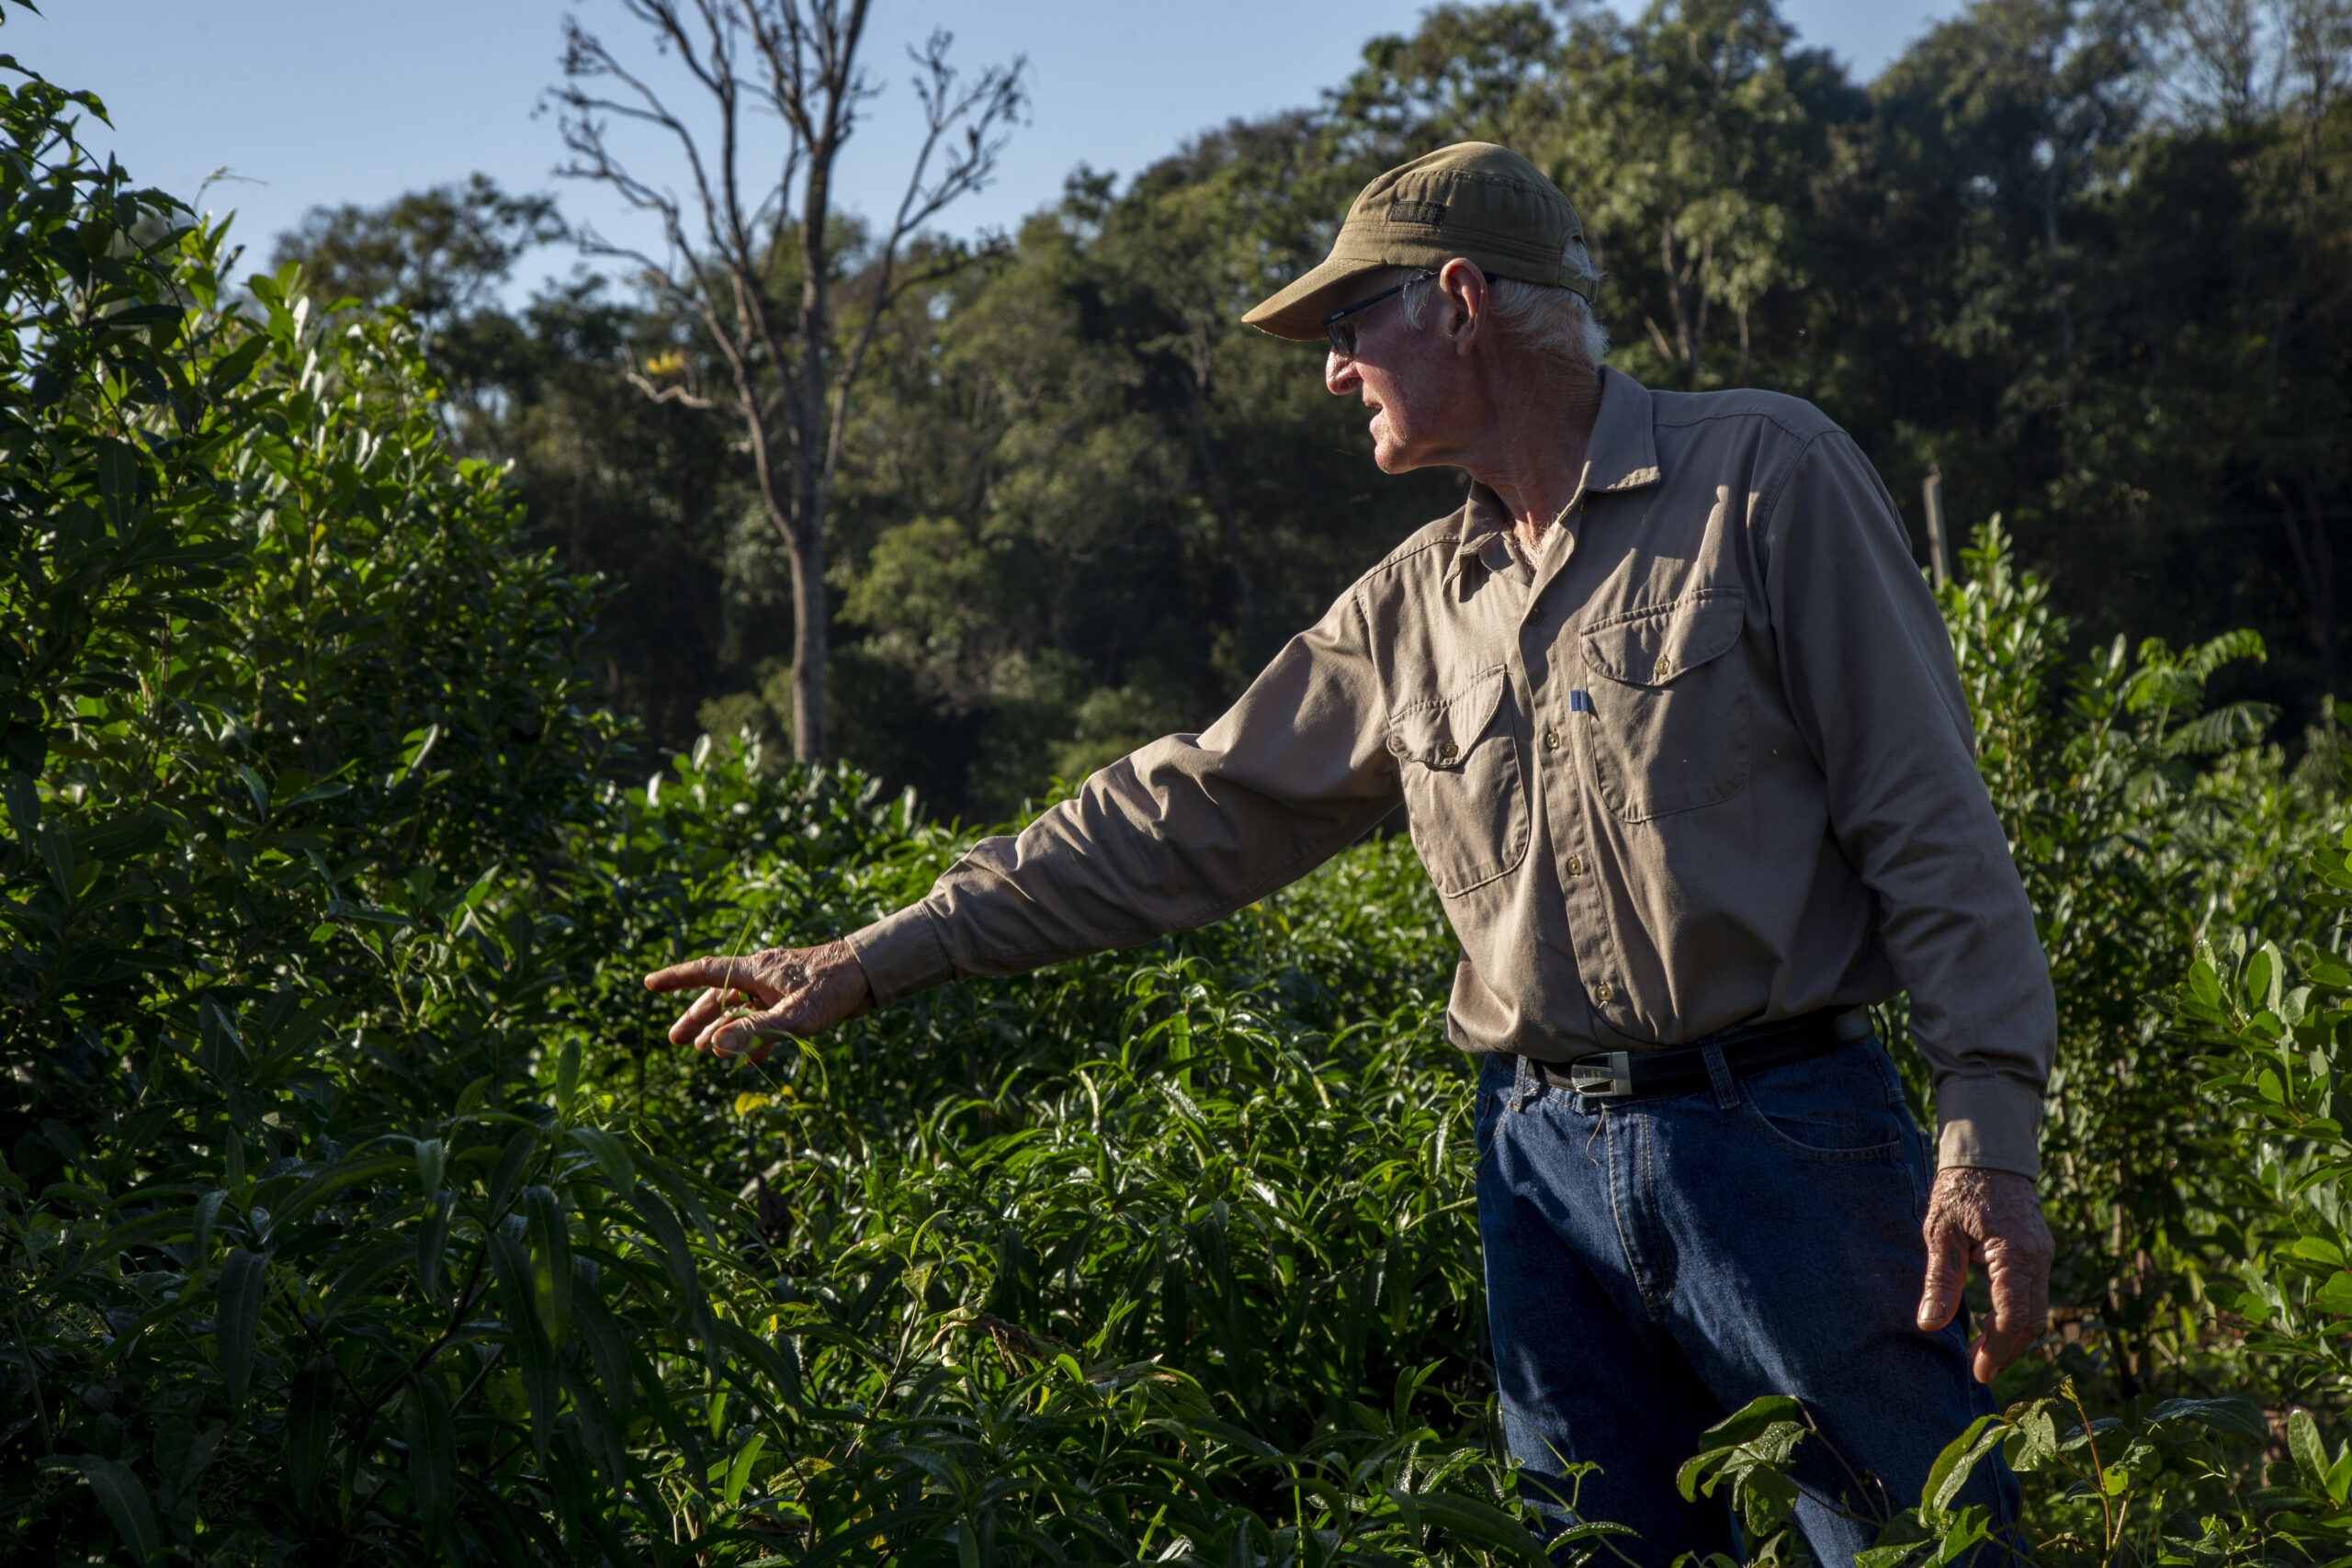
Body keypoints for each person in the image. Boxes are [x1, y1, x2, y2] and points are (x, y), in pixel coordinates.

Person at [645, 142, 2055, 1565]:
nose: (1330, 370)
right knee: (1595, 1548)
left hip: (1786, 1141)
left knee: (1918, 1540)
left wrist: (1987, 1137)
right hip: (1541, 1168)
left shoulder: (1764, 478)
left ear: (1458, 300)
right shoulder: (1412, 609)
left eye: (1345, 325)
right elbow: (1180, 812)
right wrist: (873, 956)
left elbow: (1929, 827)